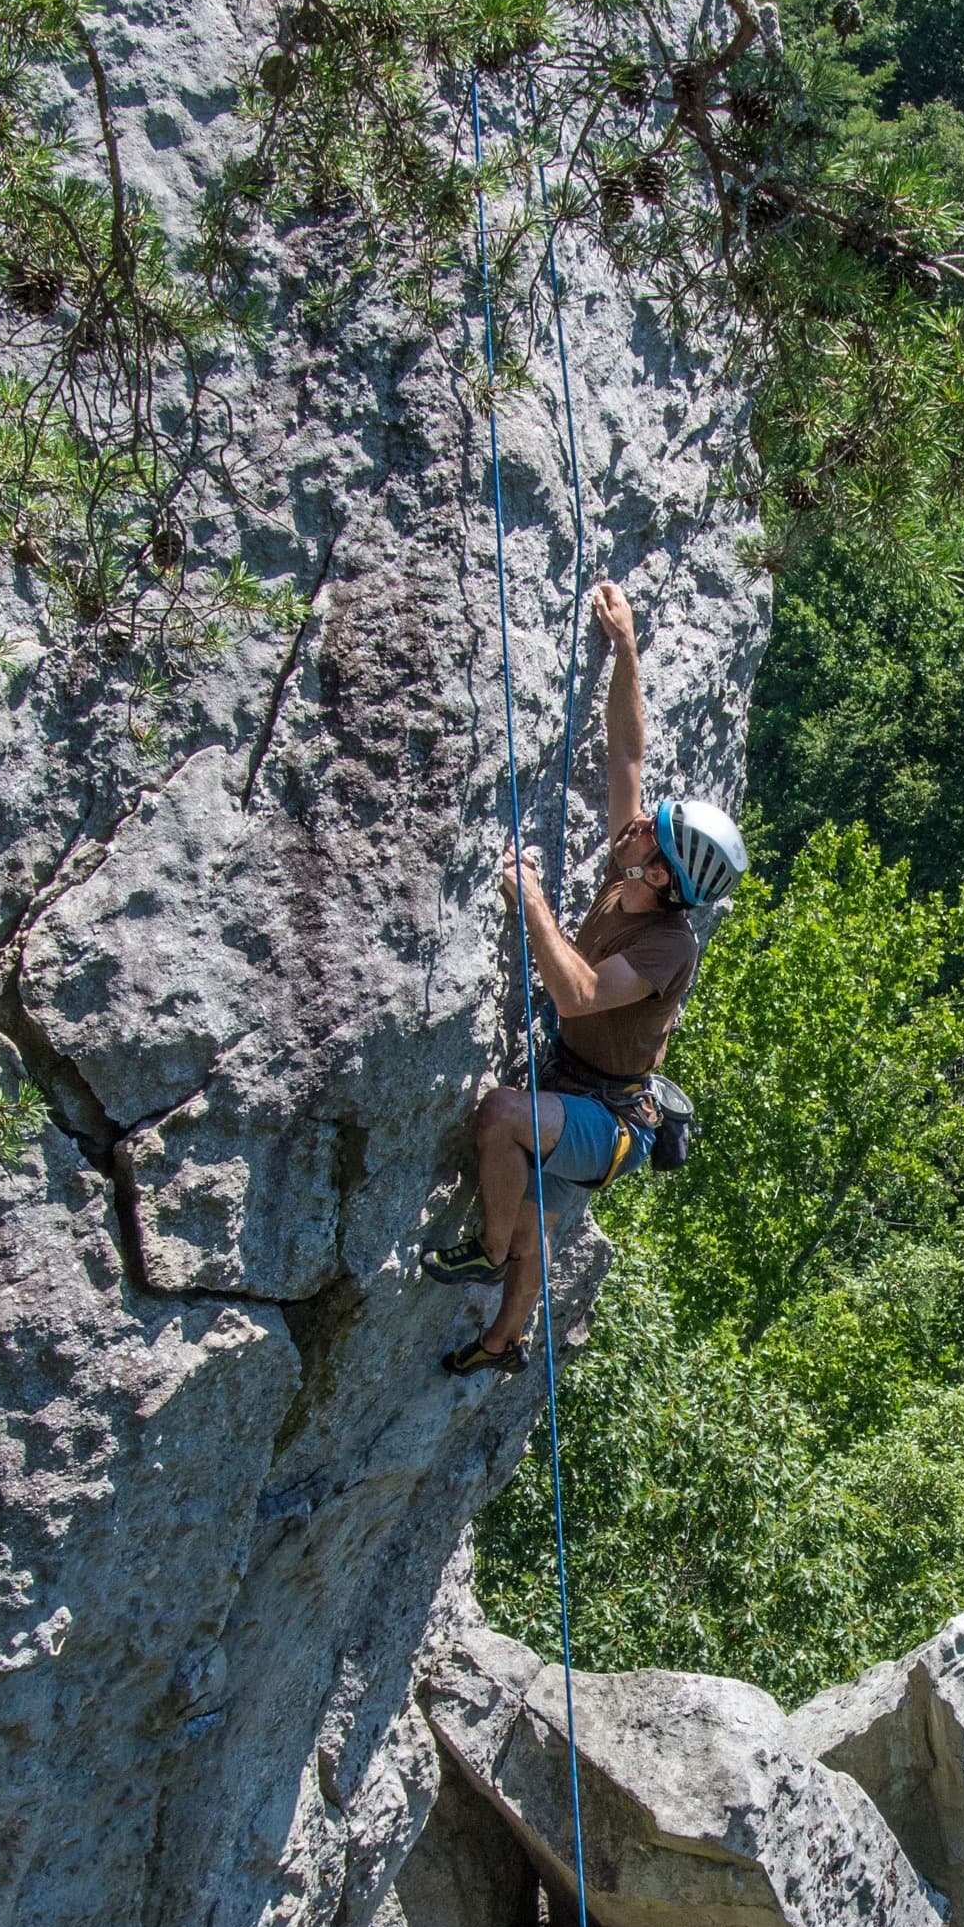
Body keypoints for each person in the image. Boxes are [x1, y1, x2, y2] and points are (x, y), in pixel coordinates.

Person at [423, 579, 746, 1377]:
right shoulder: (632, 870)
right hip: (580, 1086)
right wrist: (626, 650)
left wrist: (529, 898)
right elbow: (627, 754)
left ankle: (489, 1250)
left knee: (503, 1120)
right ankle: (504, 1342)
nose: (637, 822)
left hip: (611, 1120)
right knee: (539, 1219)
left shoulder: (669, 944)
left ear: (668, 878)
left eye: (653, 832)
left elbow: (576, 993)